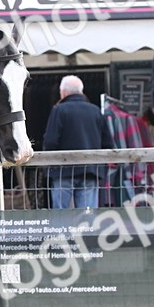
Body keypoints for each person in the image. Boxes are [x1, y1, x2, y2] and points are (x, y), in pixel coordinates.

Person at [43, 75, 112, 209]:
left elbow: (50, 142)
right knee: (87, 214)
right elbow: (108, 144)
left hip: (63, 171)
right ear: (81, 91)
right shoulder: (96, 111)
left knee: (61, 215)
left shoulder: (59, 110)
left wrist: (49, 165)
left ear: (63, 92)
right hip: (90, 171)